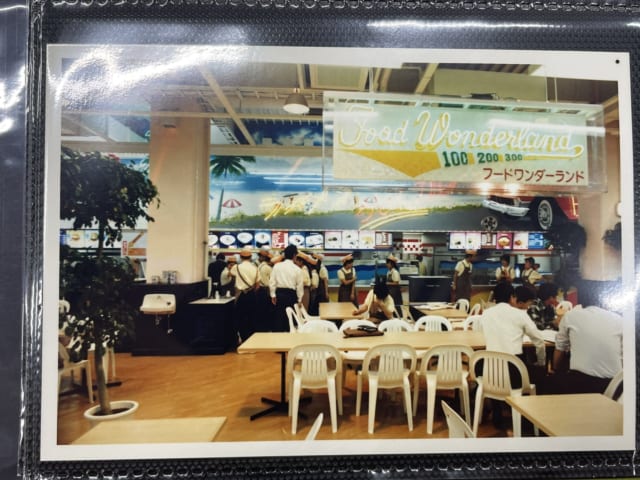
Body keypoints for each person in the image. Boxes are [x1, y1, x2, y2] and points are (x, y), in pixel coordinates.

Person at [478, 282, 546, 429]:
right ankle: (525, 417)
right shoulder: (520, 314)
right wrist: (541, 362)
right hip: (514, 370)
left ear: (494, 298)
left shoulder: (486, 314)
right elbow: (539, 341)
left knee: (494, 370)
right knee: (537, 373)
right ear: (512, 297)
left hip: (490, 369)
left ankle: (497, 413)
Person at [542, 305, 623, 395]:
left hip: (582, 383)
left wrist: (555, 370)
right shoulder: (619, 319)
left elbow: (560, 348)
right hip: (615, 385)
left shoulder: (570, 316)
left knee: (549, 381)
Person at [269, 244, 304, 332]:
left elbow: (272, 282)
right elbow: (299, 286)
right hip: (291, 296)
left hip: (279, 294)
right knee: (290, 320)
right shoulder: (297, 269)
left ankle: (278, 338)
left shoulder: (277, 266)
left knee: (278, 320)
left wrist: (273, 295)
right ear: (294, 255)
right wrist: (299, 300)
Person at [231, 247, 259, 343]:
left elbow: (231, 274)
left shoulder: (236, 267)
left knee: (240, 318)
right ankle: (251, 340)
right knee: (252, 317)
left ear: (240, 257)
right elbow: (257, 285)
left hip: (240, 295)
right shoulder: (255, 268)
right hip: (251, 295)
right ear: (251, 257)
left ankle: (243, 339)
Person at [255, 247, 274, 332]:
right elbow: (272, 281)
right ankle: (266, 329)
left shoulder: (259, 266)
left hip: (259, 290)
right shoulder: (268, 268)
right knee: (266, 311)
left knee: (260, 311)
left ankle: (260, 328)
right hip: (266, 291)